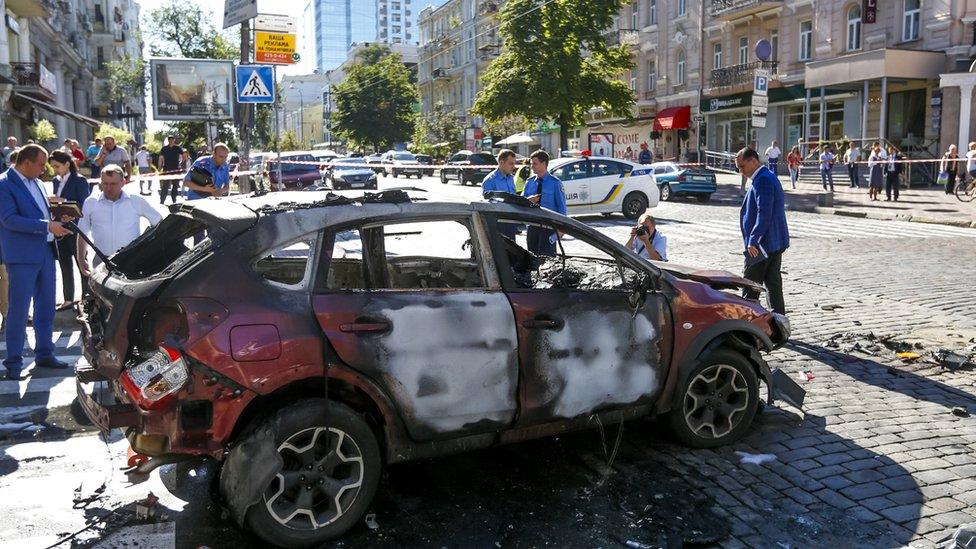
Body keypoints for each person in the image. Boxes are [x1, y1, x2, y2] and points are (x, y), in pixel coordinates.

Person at [0, 144, 74, 380]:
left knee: (46, 306)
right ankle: (13, 362)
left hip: (45, 250)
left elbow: (39, 214)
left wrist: (57, 217)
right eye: (42, 164)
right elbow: (9, 220)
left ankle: (44, 353)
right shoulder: (4, 184)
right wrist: (47, 226)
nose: (45, 170)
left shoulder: (39, 183)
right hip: (21, 255)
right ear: (26, 162)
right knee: (19, 310)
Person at [76, 165, 162, 278]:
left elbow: (159, 222)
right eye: (105, 183)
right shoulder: (91, 202)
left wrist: (146, 245)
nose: (108, 188)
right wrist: (81, 259)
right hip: (101, 261)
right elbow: (82, 233)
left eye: (113, 184)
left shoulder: (135, 201)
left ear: (123, 182)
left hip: (130, 261)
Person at [735, 147, 789, 315]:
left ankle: (748, 325)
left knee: (750, 286)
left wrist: (753, 239)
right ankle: (778, 323)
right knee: (773, 284)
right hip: (773, 243)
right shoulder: (766, 177)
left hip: (761, 245)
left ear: (753, 161)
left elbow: (764, 213)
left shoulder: (763, 180)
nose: (741, 171)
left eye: (742, 166)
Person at [49, 150, 91, 309]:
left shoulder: (79, 180)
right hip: (59, 226)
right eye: (53, 167)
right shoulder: (55, 180)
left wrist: (63, 201)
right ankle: (68, 299)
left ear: (67, 164)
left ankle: (86, 298)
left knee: (81, 263)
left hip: (76, 227)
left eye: (57, 166)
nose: (55, 170)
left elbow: (83, 204)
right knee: (64, 263)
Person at [521, 150, 567, 256]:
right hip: (532, 227)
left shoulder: (555, 183)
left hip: (548, 228)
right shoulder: (529, 182)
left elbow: (561, 208)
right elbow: (521, 202)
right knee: (532, 260)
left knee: (548, 262)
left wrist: (561, 230)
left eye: (535, 164)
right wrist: (528, 200)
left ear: (544, 164)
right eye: (531, 164)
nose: (532, 167)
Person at [157, 136, 183, 204]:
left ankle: (174, 200)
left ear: (174, 140)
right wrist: (159, 169)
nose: (171, 141)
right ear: (168, 140)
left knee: (175, 185)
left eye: (172, 140)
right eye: (170, 140)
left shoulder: (178, 148)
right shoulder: (164, 148)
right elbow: (161, 158)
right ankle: (162, 200)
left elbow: (182, 157)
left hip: (176, 170)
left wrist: (180, 164)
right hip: (166, 169)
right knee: (165, 186)